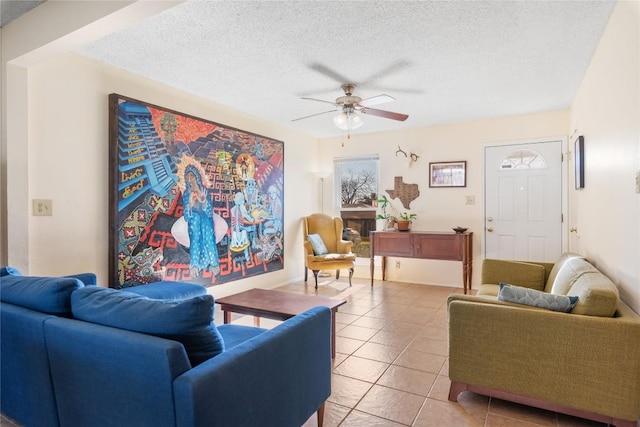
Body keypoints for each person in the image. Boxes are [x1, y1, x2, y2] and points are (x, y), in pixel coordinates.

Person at [182, 166, 219, 277]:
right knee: (195, 241)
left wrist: (203, 202)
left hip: (206, 221)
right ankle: (194, 265)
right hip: (194, 221)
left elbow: (209, 211)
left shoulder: (204, 191)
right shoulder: (186, 194)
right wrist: (189, 205)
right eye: (187, 177)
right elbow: (186, 216)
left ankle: (214, 263)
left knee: (209, 239)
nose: (190, 179)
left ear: (196, 176)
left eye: (192, 176)